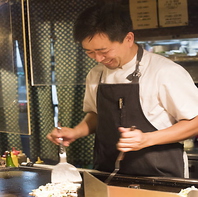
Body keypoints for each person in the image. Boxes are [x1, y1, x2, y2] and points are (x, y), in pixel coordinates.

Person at [47, 4, 198, 178]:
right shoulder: (96, 74)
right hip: (107, 172)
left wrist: (147, 139)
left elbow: (195, 121)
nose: (98, 58)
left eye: (103, 51)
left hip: (160, 175)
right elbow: (97, 115)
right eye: (89, 52)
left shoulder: (164, 71)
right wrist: (76, 132)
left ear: (128, 39)